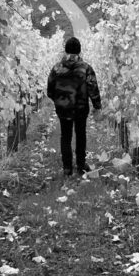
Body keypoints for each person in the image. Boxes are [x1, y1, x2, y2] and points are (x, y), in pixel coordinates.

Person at [47, 36, 102, 176]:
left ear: (65, 50)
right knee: (80, 135)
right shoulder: (86, 68)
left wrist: (59, 100)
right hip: (81, 108)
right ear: (79, 50)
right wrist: (97, 105)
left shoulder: (57, 68)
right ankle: (81, 165)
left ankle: (67, 168)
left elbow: (50, 90)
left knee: (65, 136)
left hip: (63, 108)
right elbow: (93, 87)